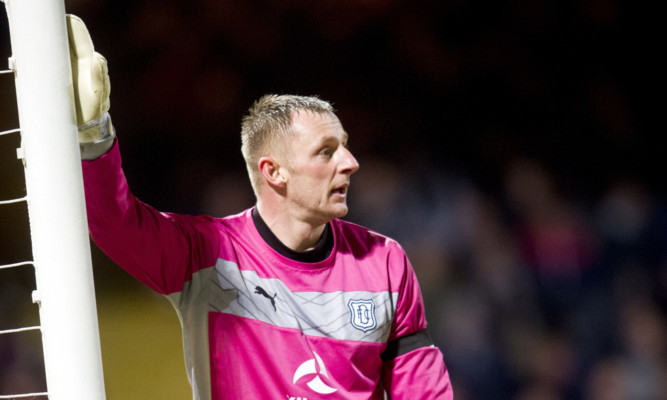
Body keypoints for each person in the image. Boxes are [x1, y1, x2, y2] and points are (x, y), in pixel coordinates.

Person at [68, 14, 453, 400]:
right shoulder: (208, 253)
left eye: (345, 146)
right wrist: (93, 135)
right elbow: (114, 223)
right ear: (274, 172)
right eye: (326, 151)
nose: (350, 162)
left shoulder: (385, 262)